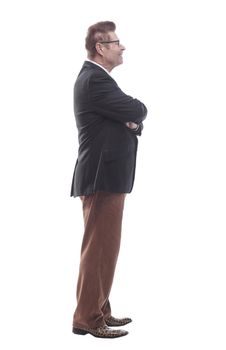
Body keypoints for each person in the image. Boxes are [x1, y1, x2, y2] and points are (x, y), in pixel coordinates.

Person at [70, 21, 147, 338]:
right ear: (100, 48)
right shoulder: (94, 81)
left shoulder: (99, 80)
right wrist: (133, 117)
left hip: (106, 175)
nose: (122, 46)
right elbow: (136, 109)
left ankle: (100, 310)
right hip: (103, 176)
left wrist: (130, 121)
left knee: (104, 247)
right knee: (99, 247)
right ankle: (87, 318)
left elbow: (130, 118)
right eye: (116, 42)